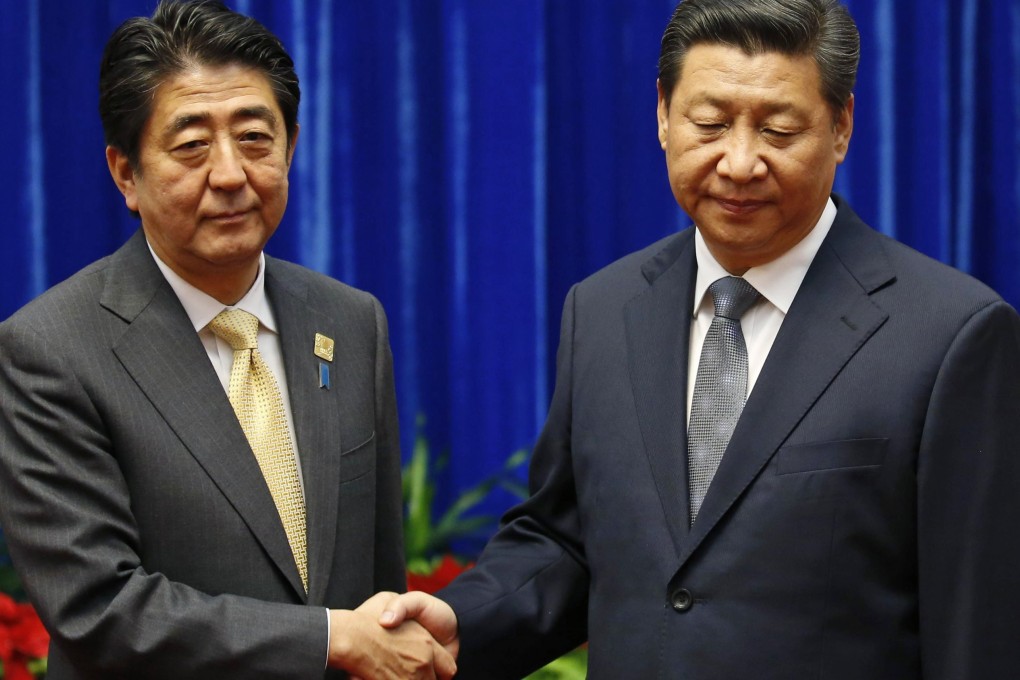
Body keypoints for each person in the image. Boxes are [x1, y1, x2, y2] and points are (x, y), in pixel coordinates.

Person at [381, 0, 1020, 677]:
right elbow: (568, 542)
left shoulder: (951, 335)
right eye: (709, 124)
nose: (739, 163)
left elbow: (977, 626)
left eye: (778, 130)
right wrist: (461, 623)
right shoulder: (602, 309)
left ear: (841, 127)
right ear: (663, 114)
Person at [0, 2, 456, 679]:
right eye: (190, 146)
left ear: (291, 145)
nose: (230, 174)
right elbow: (100, 609)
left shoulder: (351, 322)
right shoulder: (50, 349)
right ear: (126, 172)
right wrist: (327, 638)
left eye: (254, 138)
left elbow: (377, 582)